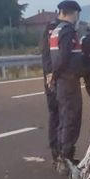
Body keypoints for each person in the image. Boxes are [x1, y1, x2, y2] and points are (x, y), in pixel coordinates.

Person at [48, 0, 86, 170]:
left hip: (62, 81)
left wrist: (53, 76)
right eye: (77, 14)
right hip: (68, 80)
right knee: (71, 119)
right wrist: (55, 75)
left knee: (64, 119)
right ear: (73, 13)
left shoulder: (56, 30)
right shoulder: (68, 31)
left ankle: (63, 157)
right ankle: (66, 158)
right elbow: (64, 56)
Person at [39, 11, 61, 163]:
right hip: (53, 77)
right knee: (56, 114)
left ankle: (58, 151)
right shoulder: (55, 29)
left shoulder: (53, 28)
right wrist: (51, 76)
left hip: (52, 76)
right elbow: (50, 55)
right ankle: (56, 152)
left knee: (58, 115)